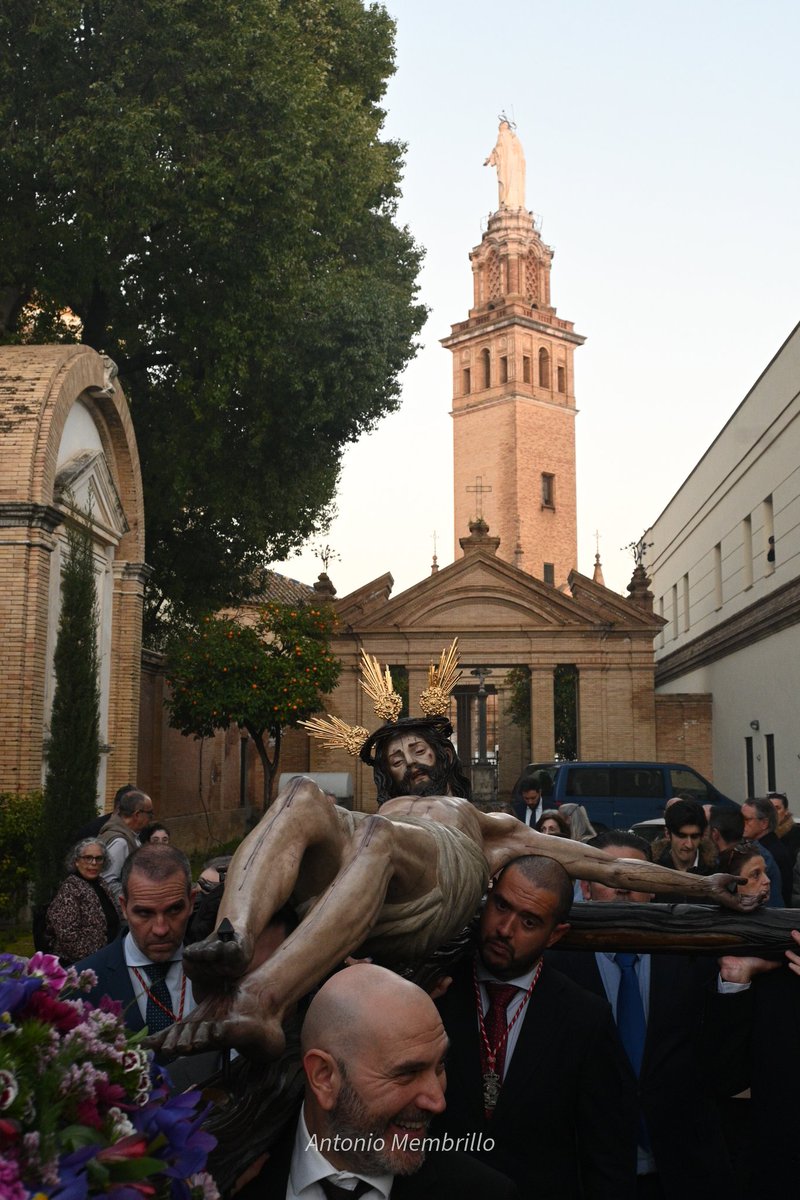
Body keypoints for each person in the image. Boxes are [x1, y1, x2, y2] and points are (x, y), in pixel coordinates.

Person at [151, 744, 754, 1062]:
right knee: (302, 795)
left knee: (379, 838)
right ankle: (232, 941)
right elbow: (283, 849)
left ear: (440, 760)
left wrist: (701, 886)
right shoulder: (378, 811)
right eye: (394, 758)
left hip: (433, 881)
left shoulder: (481, 820)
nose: (407, 763)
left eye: (418, 752)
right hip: (362, 874)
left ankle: (260, 999)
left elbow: (597, 862)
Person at [554, 831, 761, 1199]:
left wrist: (733, 982)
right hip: (593, 1174)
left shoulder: (688, 956)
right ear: (585, 888)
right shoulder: (557, 967)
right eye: (609, 878)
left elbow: (723, 1071)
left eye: (635, 878)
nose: (622, 888)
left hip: (685, 1171)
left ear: (652, 888)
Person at [431, 855, 637, 1198]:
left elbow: (606, 1154)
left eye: (529, 922)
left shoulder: (583, 1018)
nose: (504, 929)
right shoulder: (436, 990)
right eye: (501, 906)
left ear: (555, 935)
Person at [236, 963, 520, 1199]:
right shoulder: (226, 1178)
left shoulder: (483, 1193)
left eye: (439, 1066)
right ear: (324, 1077)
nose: (437, 1101)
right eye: (406, 1073)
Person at [45, 838, 120, 964]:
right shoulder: (70, 889)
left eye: (98, 858)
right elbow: (67, 936)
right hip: (83, 966)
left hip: (108, 958)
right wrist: (98, 959)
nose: (93, 863)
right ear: (77, 861)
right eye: (88, 858)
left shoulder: (102, 884)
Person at [709, 805, 783, 907]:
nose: (767, 880)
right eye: (756, 875)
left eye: (765, 872)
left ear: (714, 833)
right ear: (731, 885)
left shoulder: (759, 855)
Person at [96, 788, 155, 900]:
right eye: (150, 814)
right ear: (137, 814)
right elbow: (108, 883)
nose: (151, 819)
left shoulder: (130, 835)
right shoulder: (120, 842)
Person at [741, 797, 793, 905]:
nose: (741, 823)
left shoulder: (770, 853)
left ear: (764, 823)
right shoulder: (759, 846)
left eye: (746, 819)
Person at [483, 119, 527, 209]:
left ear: (504, 126)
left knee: (511, 181)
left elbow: (519, 152)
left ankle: (510, 202)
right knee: (506, 182)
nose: (500, 128)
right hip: (505, 163)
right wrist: (490, 158)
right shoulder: (509, 136)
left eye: (501, 126)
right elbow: (497, 149)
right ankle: (507, 202)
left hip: (512, 163)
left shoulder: (509, 136)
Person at [767, 791, 800, 865]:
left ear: (786, 811)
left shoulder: (796, 834)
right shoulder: (761, 833)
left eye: (777, 808)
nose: (773, 812)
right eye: (770, 809)